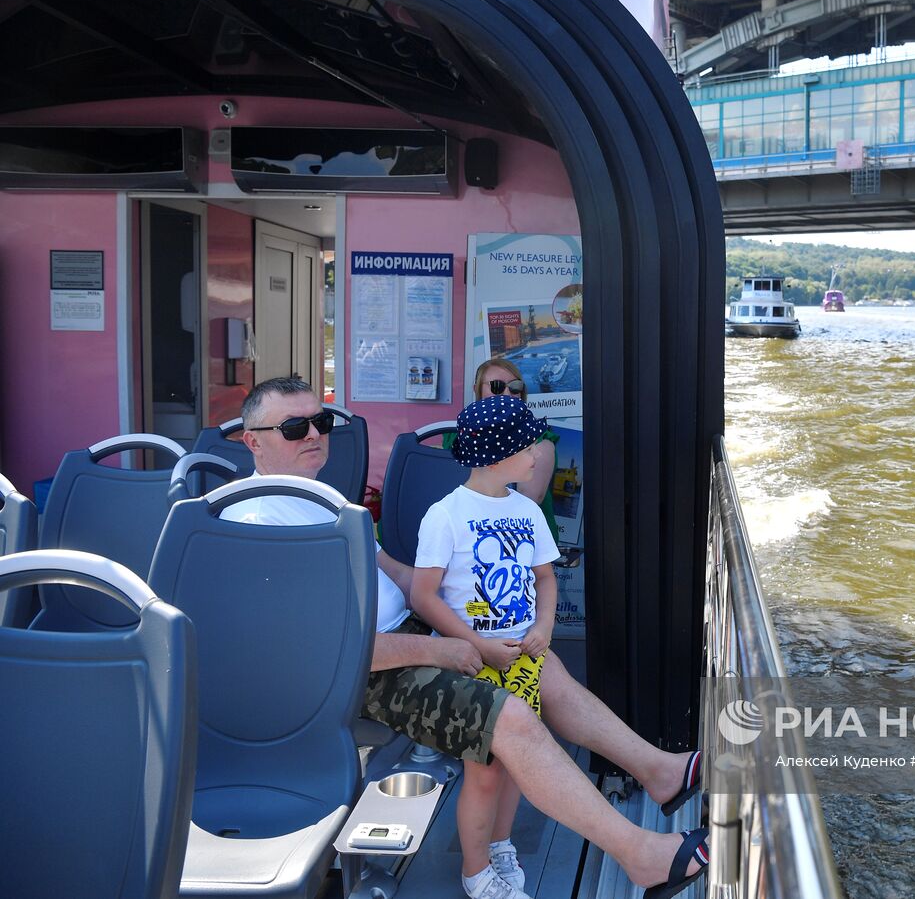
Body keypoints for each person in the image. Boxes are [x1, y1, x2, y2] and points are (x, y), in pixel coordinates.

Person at [223, 377, 706, 899]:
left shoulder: (318, 501)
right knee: (512, 718)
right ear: (253, 441)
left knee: (543, 671)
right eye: (295, 427)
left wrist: (466, 613)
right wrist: (443, 646)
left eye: (322, 421)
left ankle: (660, 772)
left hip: (405, 638)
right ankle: (638, 855)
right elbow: (322, 648)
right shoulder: (256, 520)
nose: (314, 434)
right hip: (361, 669)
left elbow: (402, 578)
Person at [411, 395, 558, 899]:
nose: (537, 455)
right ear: (498, 455)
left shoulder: (527, 512)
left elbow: (544, 578)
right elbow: (423, 595)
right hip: (474, 664)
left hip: (523, 662)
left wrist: (545, 626)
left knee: (516, 764)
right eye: (527, 447)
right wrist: (477, 644)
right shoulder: (445, 516)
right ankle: (476, 873)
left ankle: (500, 845)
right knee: (484, 773)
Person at [471, 358, 560, 545]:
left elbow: (528, 500)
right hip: (470, 544)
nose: (507, 394)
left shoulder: (541, 442)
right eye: (497, 386)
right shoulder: (458, 437)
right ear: (477, 390)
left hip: (525, 549)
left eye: (515, 387)